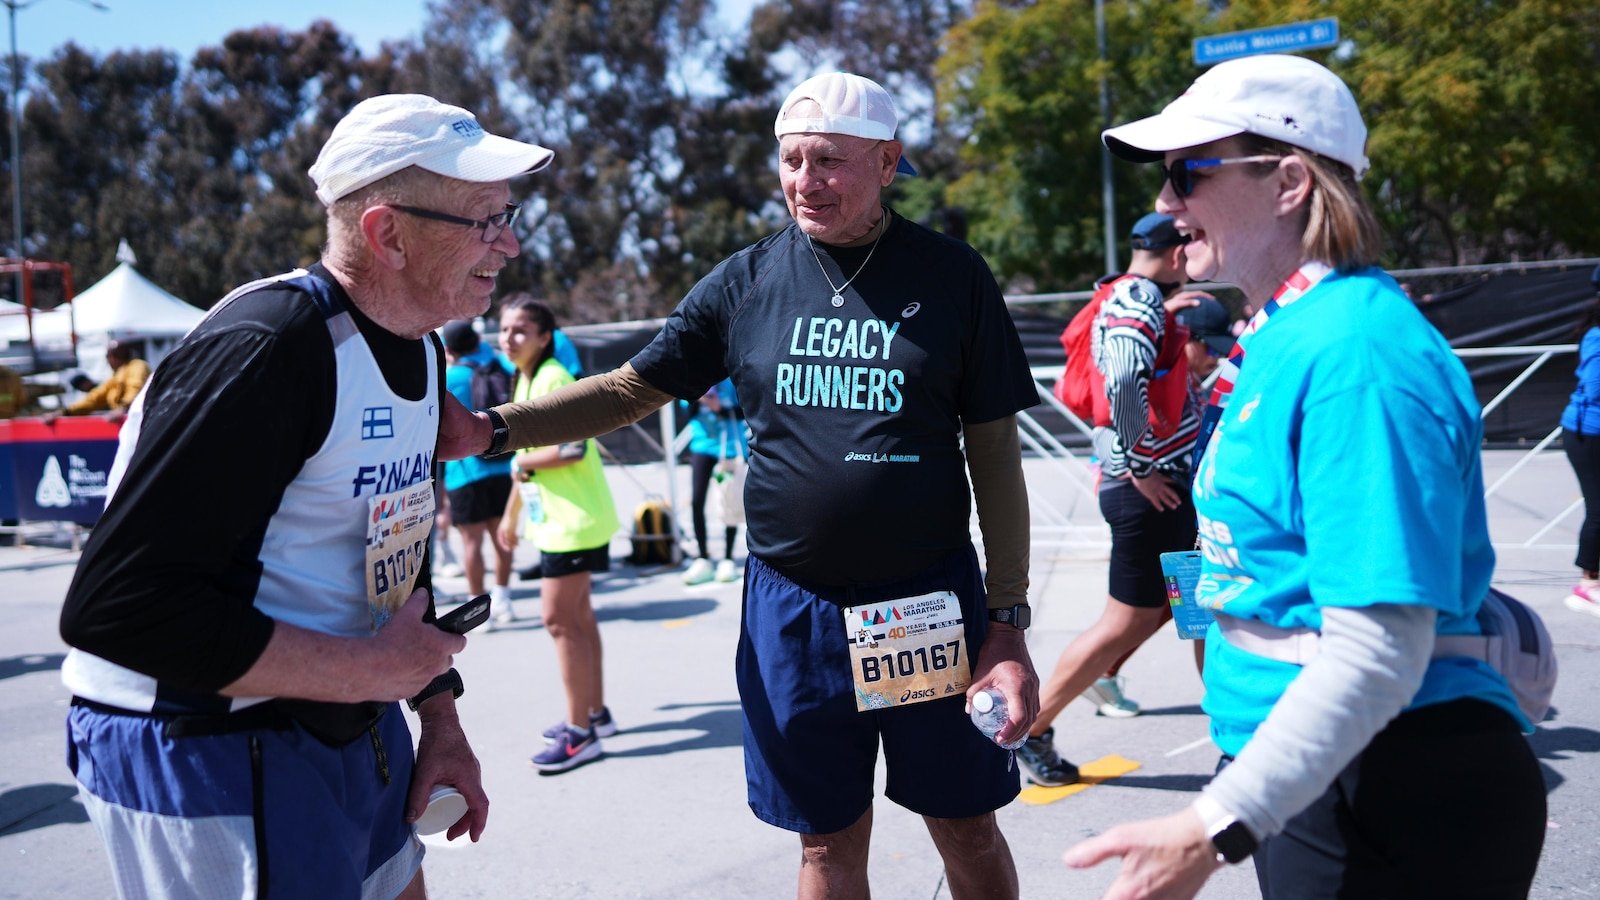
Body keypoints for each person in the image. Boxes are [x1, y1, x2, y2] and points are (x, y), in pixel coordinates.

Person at [446, 71, 1040, 898]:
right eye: (793, 160)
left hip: (921, 604)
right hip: (793, 609)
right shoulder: (748, 281)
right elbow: (630, 388)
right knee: (826, 844)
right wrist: (493, 427)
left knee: (965, 823)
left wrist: (1006, 623)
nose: (807, 181)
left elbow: (995, 454)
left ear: (889, 161)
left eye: (830, 160)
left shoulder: (951, 277)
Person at [1063, 54, 1545, 898]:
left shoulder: (1356, 350)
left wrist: (1214, 827)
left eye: (1187, 173)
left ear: (1289, 180)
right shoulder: (1289, 334)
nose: (1168, 206)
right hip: (1318, 773)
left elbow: (1381, 644)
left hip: (1390, 784)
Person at [58, 93, 556, 899]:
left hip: (345, 714)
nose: (511, 240)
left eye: (508, 213)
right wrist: (370, 670)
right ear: (386, 232)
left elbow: (391, 553)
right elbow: (118, 610)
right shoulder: (268, 349)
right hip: (206, 742)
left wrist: (437, 718)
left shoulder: (420, 351)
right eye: (483, 219)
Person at [1016, 212, 1208, 785]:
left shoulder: (1122, 297)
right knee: (1133, 622)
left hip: (1156, 492)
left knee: (1185, 614)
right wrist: (1139, 461)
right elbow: (1123, 382)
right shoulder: (1139, 298)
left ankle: (1238, 733)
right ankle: (1027, 729)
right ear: (1176, 255)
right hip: (1151, 492)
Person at [494, 295, 621, 773]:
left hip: (574, 524)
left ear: (545, 337)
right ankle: (594, 714)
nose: (509, 338)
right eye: (504, 330)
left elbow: (571, 448)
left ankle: (580, 734)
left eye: (520, 330)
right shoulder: (526, 377)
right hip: (564, 520)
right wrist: (512, 517)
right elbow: (525, 465)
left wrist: (520, 458)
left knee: (558, 619)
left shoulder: (553, 379)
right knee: (579, 616)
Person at [441, 319, 517, 625]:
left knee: (472, 543)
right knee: (502, 538)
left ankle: (477, 610)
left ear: (448, 349)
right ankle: (504, 598)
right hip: (500, 463)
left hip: (464, 472)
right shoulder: (497, 367)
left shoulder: (447, 378)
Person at [679, 377, 747, 585]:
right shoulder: (697, 378)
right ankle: (702, 557)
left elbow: (745, 411)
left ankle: (727, 558)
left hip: (729, 448)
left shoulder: (732, 380)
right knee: (697, 500)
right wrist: (701, 398)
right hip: (702, 447)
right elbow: (687, 411)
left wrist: (720, 408)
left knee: (729, 500)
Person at [1563, 264, 1600, 618]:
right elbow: (1596, 388)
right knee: (1598, 510)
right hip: (1587, 433)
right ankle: (1588, 585)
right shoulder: (1596, 336)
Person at [1173, 295, 1236, 407]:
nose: (1216, 358)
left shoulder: (1192, 387)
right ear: (1184, 336)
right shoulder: (1153, 381)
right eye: (1213, 349)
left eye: (1221, 351)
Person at [62, 340, 149, 416]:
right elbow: (95, 397)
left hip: (141, 419)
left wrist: (124, 407)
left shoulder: (137, 366)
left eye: (108, 357)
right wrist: (67, 411)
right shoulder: (117, 375)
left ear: (113, 357)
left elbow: (135, 387)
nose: (108, 361)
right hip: (127, 417)